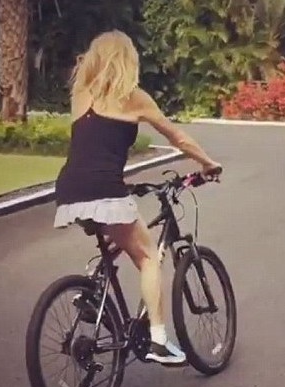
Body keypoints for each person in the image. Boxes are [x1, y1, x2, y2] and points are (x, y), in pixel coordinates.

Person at [53, 30, 222, 366]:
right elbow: (178, 137)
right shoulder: (133, 97)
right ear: (127, 60)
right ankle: (159, 340)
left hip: (69, 188)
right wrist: (208, 163)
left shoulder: (80, 93)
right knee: (147, 257)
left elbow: (95, 146)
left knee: (114, 236)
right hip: (104, 188)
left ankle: (93, 291)